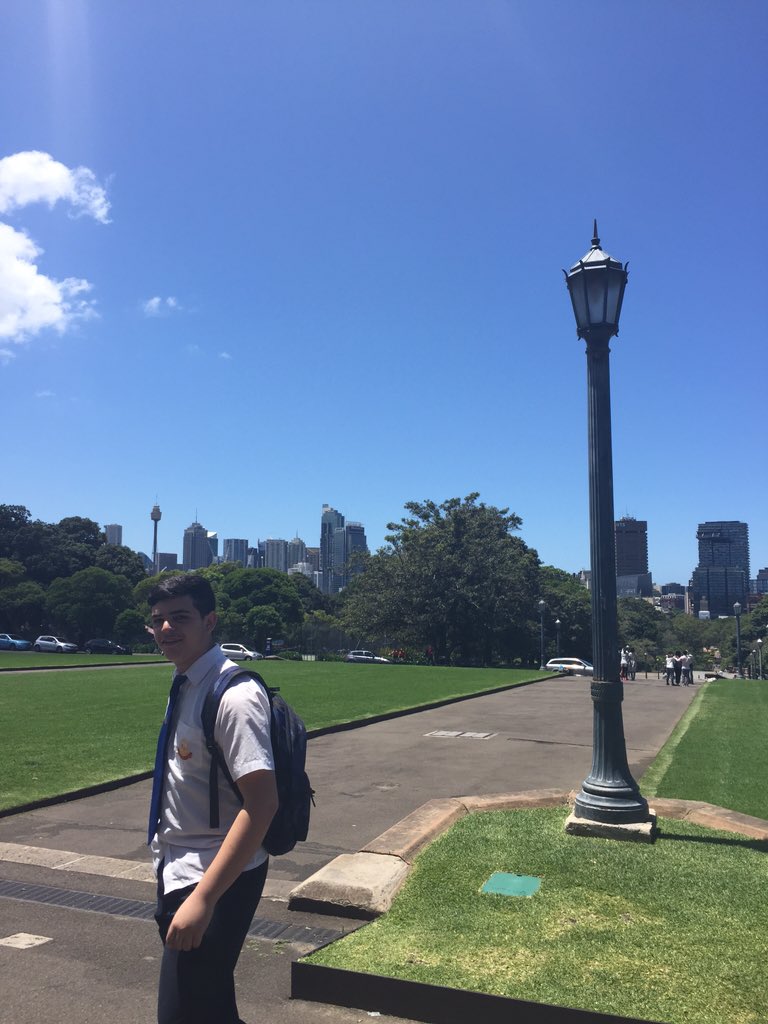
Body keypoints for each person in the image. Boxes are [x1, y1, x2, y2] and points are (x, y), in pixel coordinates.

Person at [147, 574, 278, 1024]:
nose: (166, 629)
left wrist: (202, 899)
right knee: (211, 1008)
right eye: (158, 620)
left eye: (179, 618)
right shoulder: (185, 682)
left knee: (182, 1015)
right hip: (179, 864)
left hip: (216, 874)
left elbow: (261, 804)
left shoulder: (235, 697)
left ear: (210, 621)